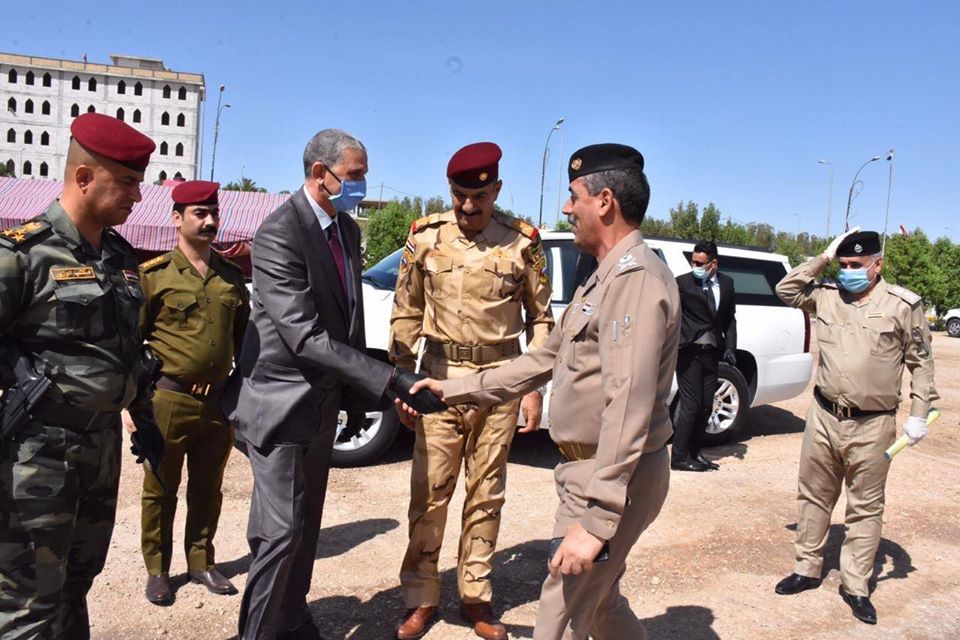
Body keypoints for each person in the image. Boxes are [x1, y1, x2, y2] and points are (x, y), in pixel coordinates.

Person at [410, 143, 681, 640]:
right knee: (601, 607)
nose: (565, 207)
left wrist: (598, 518)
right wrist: (453, 390)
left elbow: (629, 402)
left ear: (603, 202)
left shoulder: (636, 282)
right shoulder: (602, 278)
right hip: (586, 469)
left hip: (611, 474)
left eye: (572, 195)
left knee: (559, 610)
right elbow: (539, 360)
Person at [221, 128, 444, 640]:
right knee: (278, 534)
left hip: (321, 408)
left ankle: (292, 617)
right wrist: (389, 380)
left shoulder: (346, 231)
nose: (361, 185)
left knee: (305, 528)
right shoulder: (279, 233)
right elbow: (304, 335)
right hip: (279, 407)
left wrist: (358, 396)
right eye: (355, 176)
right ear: (320, 175)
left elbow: (349, 321)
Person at [0, 113, 162, 638]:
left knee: (76, 584)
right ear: (84, 178)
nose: (138, 197)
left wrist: (145, 421)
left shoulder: (118, 257)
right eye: (129, 182)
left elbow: (129, 351)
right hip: (35, 453)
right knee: (28, 600)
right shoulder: (21, 255)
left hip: (101, 445)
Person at [390, 142, 554, 640]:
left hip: (499, 384)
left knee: (486, 494)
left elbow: (541, 320)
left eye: (478, 197)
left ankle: (476, 597)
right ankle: (420, 597)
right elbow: (406, 312)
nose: (467, 207)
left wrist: (531, 388)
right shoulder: (424, 238)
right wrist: (400, 379)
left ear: (496, 190)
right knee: (430, 494)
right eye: (460, 195)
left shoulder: (522, 242)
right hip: (438, 381)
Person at [773, 228, 938, 625]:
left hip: (873, 424)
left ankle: (856, 585)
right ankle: (807, 568)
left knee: (865, 508)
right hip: (824, 416)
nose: (848, 272)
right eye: (843, 264)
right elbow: (785, 289)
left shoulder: (903, 305)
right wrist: (824, 257)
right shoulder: (827, 295)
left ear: (877, 264)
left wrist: (919, 412)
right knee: (813, 496)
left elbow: (922, 361)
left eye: (856, 265)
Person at [128, 180, 250, 605]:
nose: (210, 221)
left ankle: (201, 562)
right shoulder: (154, 276)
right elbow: (132, 343)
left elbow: (243, 342)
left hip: (216, 401)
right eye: (200, 213)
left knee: (207, 486)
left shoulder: (230, 279)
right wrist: (133, 404)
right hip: (168, 399)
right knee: (160, 486)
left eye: (214, 212)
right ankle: (158, 570)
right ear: (177, 219)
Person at [671, 239, 737, 471]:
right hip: (688, 352)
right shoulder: (682, 283)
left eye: (701, 262)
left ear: (714, 264)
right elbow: (671, 315)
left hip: (712, 353)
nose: (696, 265)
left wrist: (730, 348)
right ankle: (678, 457)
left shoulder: (727, 285)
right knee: (691, 405)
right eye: (693, 261)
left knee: (707, 406)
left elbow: (729, 319)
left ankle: (695, 453)